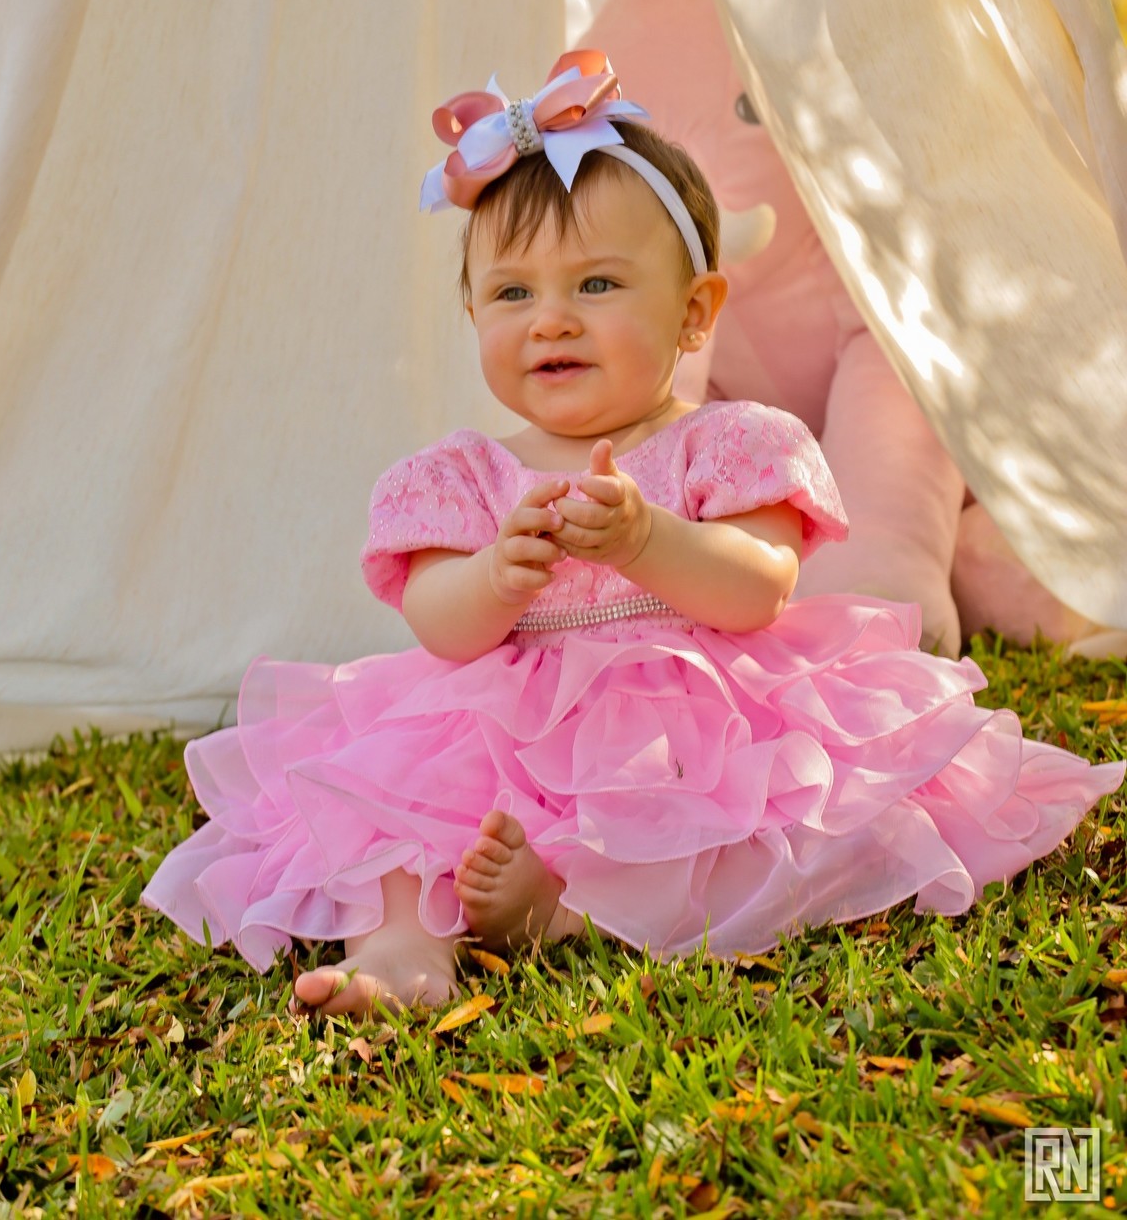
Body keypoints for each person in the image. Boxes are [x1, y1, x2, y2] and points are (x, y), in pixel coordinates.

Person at [141, 50, 1124, 1017]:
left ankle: (565, 908)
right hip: (500, 723)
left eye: (597, 286)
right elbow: (438, 622)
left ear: (694, 314)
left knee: (725, 817)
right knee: (391, 807)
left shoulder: (726, 445)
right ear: (473, 309)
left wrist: (649, 540)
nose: (551, 321)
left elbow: (761, 584)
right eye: (514, 293)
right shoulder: (462, 475)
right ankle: (401, 944)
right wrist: (496, 576)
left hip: (685, 715)